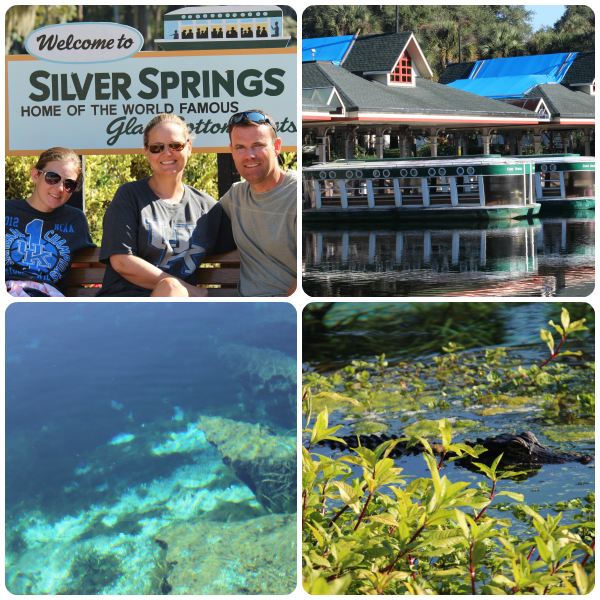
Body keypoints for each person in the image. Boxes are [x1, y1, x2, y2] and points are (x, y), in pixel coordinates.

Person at [95, 114, 236, 297]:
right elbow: (122, 262)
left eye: (176, 145)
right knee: (170, 288)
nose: (167, 153)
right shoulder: (129, 196)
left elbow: (246, 241)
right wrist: (185, 288)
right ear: (146, 151)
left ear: (189, 148)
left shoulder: (207, 208)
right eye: (157, 147)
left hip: (177, 308)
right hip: (125, 308)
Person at [219, 110, 297, 297]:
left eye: (258, 145)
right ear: (232, 150)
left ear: (276, 146)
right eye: (240, 147)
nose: (249, 155)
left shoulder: (299, 195)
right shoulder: (236, 196)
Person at [5, 148, 97, 297]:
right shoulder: (7, 210)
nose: (60, 188)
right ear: (36, 175)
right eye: (53, 178)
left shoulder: (75, 220)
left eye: (69, 184)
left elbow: (85, 267)